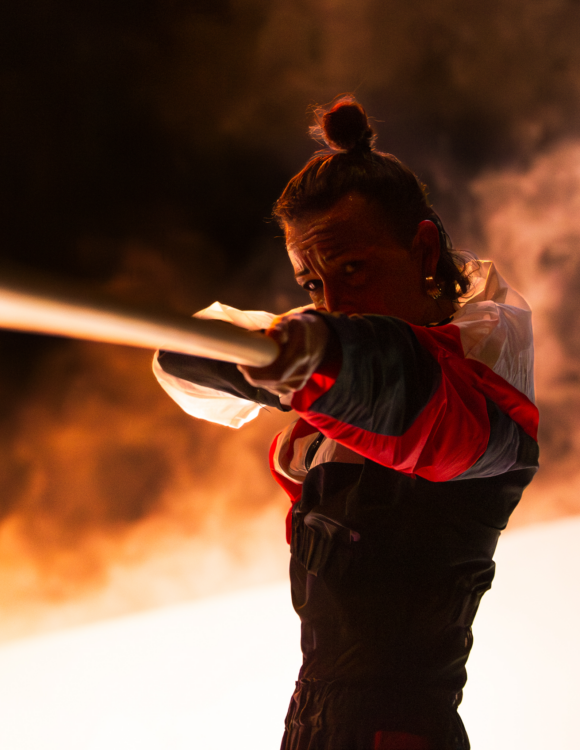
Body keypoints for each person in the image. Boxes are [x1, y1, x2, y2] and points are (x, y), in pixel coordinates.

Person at [153, 96, 538, 750]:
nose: (334, 302)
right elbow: (181, 360)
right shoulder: (340, 385)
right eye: (312, 284)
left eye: (354, 269)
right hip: (314, 727)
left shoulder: (480, 387)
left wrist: (316, 357)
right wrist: (259, 353)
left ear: (423, 250)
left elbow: (402, 392)